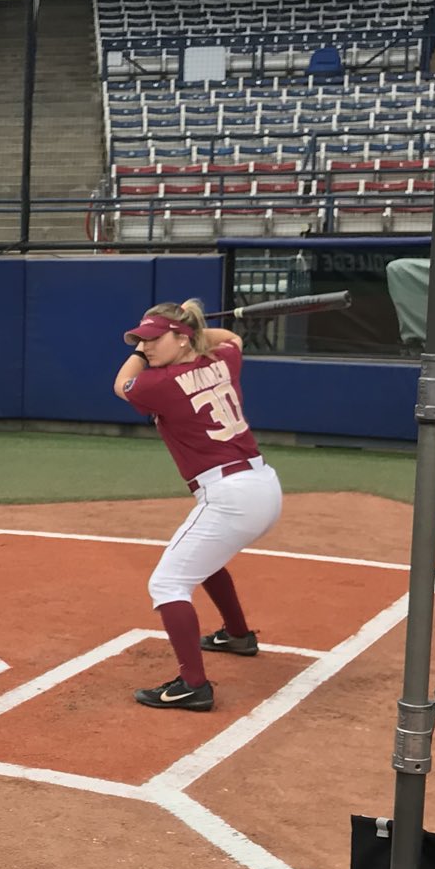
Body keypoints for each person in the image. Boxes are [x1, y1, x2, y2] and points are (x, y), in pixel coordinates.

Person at [113, 299, 283, 713]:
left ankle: (193, 684)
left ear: (182, 338)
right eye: (140, 341)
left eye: (154, 340)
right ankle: (237, 635)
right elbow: (233, 338)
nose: (145, 347)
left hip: (230, 495)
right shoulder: (224, 359)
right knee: (203, 557)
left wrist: (143, 353)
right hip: (263, 487)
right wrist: (190, 329)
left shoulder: (160, 384)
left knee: (167, 584)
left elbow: (122, 385)